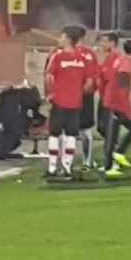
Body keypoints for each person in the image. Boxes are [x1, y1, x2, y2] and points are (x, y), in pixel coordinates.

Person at [45, 26, 92, 178]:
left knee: (54, 134)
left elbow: (49, 77)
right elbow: (89, 81)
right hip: (75, 102)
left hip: (59, 101)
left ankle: (52, 167)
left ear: (67, 39)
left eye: (62, 36)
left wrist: (50, 95)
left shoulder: (57, 57)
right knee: (71, 134)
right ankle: (67, 166)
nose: (60, 39)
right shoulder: (82, 59)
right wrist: (78, 92)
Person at [99, 34, 131, 177]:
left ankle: (117, 155)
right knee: (113, 134)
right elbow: (122, 86)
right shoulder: (124, 62)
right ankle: (109, 166)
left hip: (112, 100)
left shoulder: (120, 59)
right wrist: (126, 108)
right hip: (116, 103)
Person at [74, 27, 99, 170]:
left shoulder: (62, 53)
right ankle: (87, 161)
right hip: (86, 96)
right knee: (86, 130)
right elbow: (95, 75)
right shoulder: (90, 54)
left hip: (68, 96)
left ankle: (64, 162)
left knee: (66, 131)